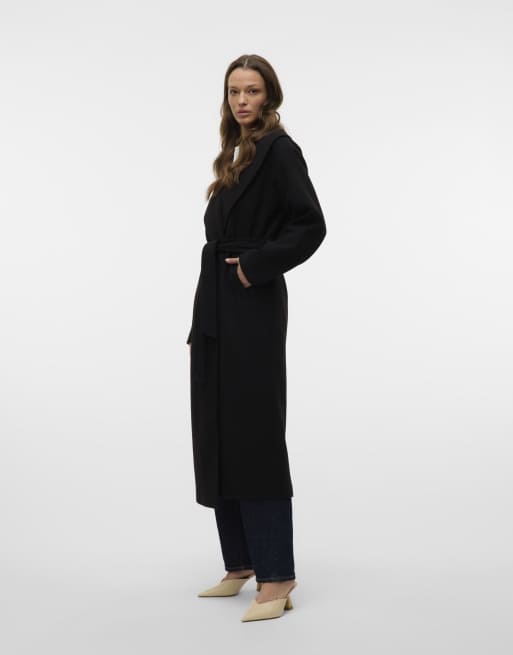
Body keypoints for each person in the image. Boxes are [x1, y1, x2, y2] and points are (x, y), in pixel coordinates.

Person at [186, 54, 327, 622]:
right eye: (234, 91)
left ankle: (278, 574)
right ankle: (240, 561)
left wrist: (254, 267)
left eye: (252, 91)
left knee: (255, 433)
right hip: (217, 309)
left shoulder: (279, 150)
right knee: (217, 429)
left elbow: (311, 224)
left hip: (252, 305)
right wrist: (201, 323)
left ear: (270, 95)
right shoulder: (235, 152)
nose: (242, 100)